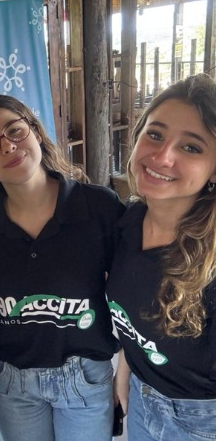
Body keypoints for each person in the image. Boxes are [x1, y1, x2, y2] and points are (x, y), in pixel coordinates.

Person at [0, 94, 125, 441]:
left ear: (35, 131)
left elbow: (131, 295)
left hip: (85, 377)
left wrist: (126, 368)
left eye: (14, 131)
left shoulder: (98, 206)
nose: (7, 146)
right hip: (12, 381)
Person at [108, 73, 216, 440]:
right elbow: (134, 318)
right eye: (155, 134)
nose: (162, 156)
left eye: (191, 147)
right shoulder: (126, 223)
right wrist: (125, 371)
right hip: (142, 398)